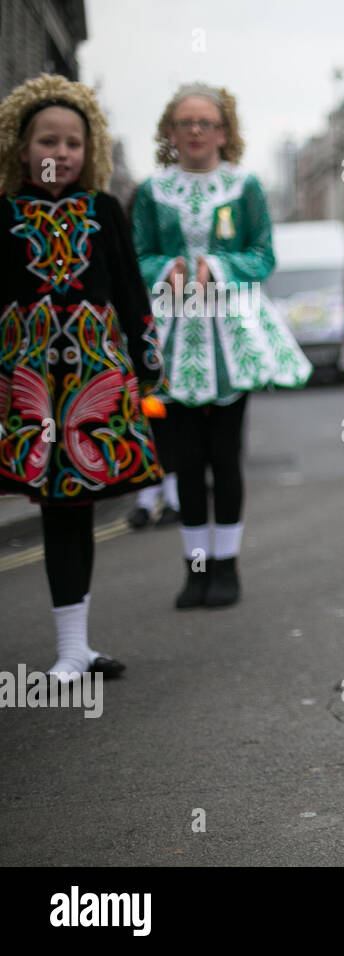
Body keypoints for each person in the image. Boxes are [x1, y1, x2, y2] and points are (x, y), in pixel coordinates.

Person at [0, 74, 165, 679]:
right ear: (21, 148)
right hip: (29, 385)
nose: (61, 153)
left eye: (73, 143)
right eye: (48, 141)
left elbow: (130, 292)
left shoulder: (104, 211)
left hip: (94, 383)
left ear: (88, 150)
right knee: (51, 507)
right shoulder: (4, 214)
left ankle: (76, 649)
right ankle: (72, 649)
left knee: (76, 507)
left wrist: (148, 365)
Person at [132, 83, 311, 608]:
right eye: (185, 123)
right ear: (170, 132)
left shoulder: (245, 185)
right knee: (185, 456)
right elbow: (137, 256)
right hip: (174, 334)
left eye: (205, 123)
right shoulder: (151, 190)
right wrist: (169, 268)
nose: (195, 132)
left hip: (233, 335)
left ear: (224, 132)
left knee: (224, 454)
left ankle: (228, 566)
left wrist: (220, 266)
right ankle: (196, 569)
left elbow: (263, 255)